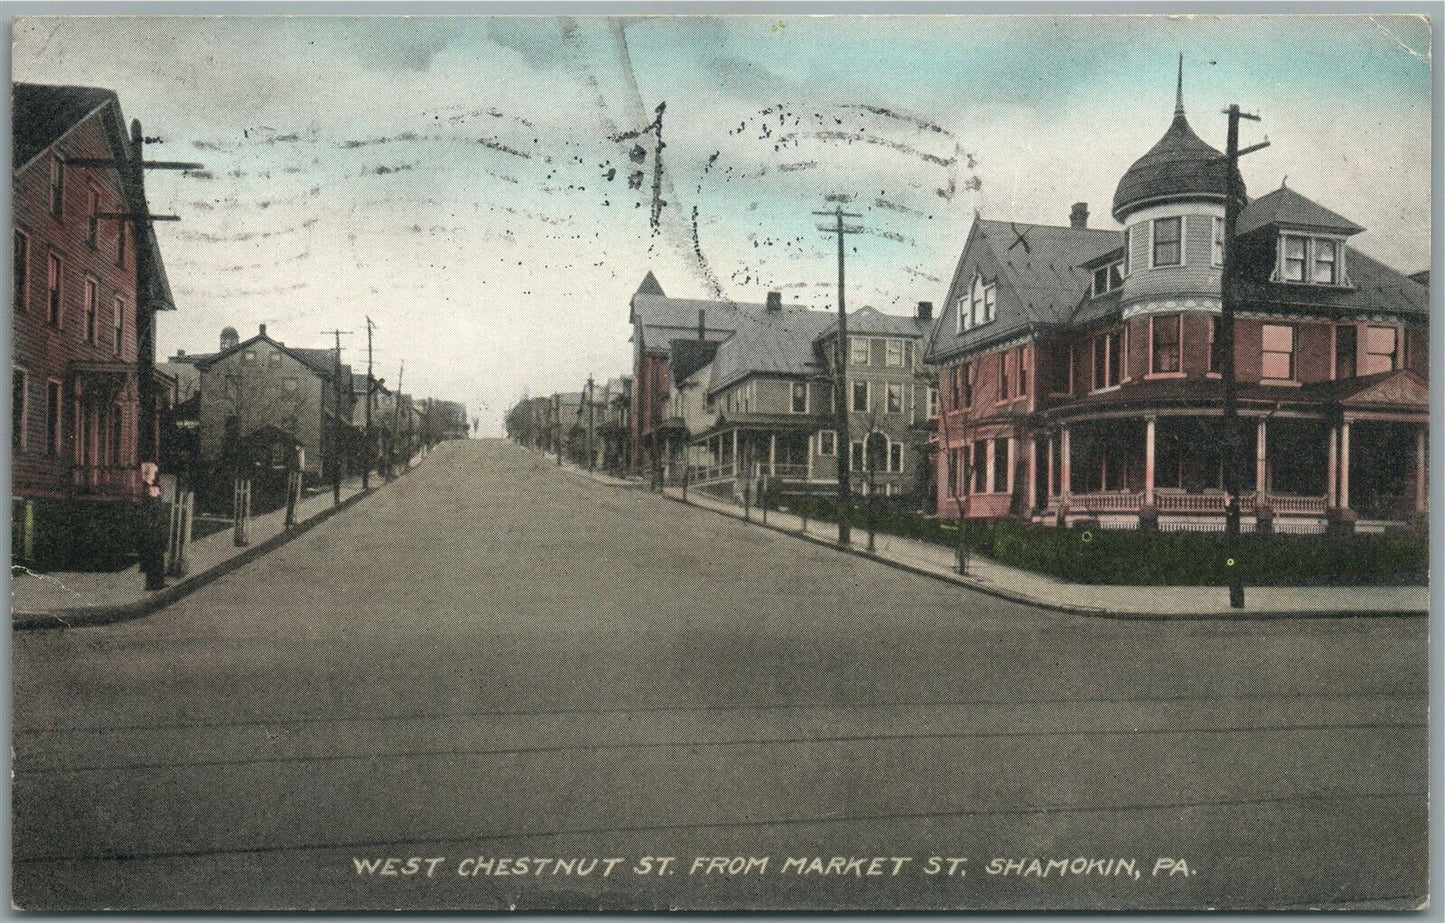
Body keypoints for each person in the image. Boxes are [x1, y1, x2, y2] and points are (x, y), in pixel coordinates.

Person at [139, 461, 167, 591]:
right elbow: (150, 509)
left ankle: (159, 581)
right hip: (152, 528)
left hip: (156, 527)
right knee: (153, 556)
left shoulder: (153, 487)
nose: (156, 475)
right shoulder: (146, 488)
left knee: (158, 555)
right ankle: (152, 583)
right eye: (154, 472)